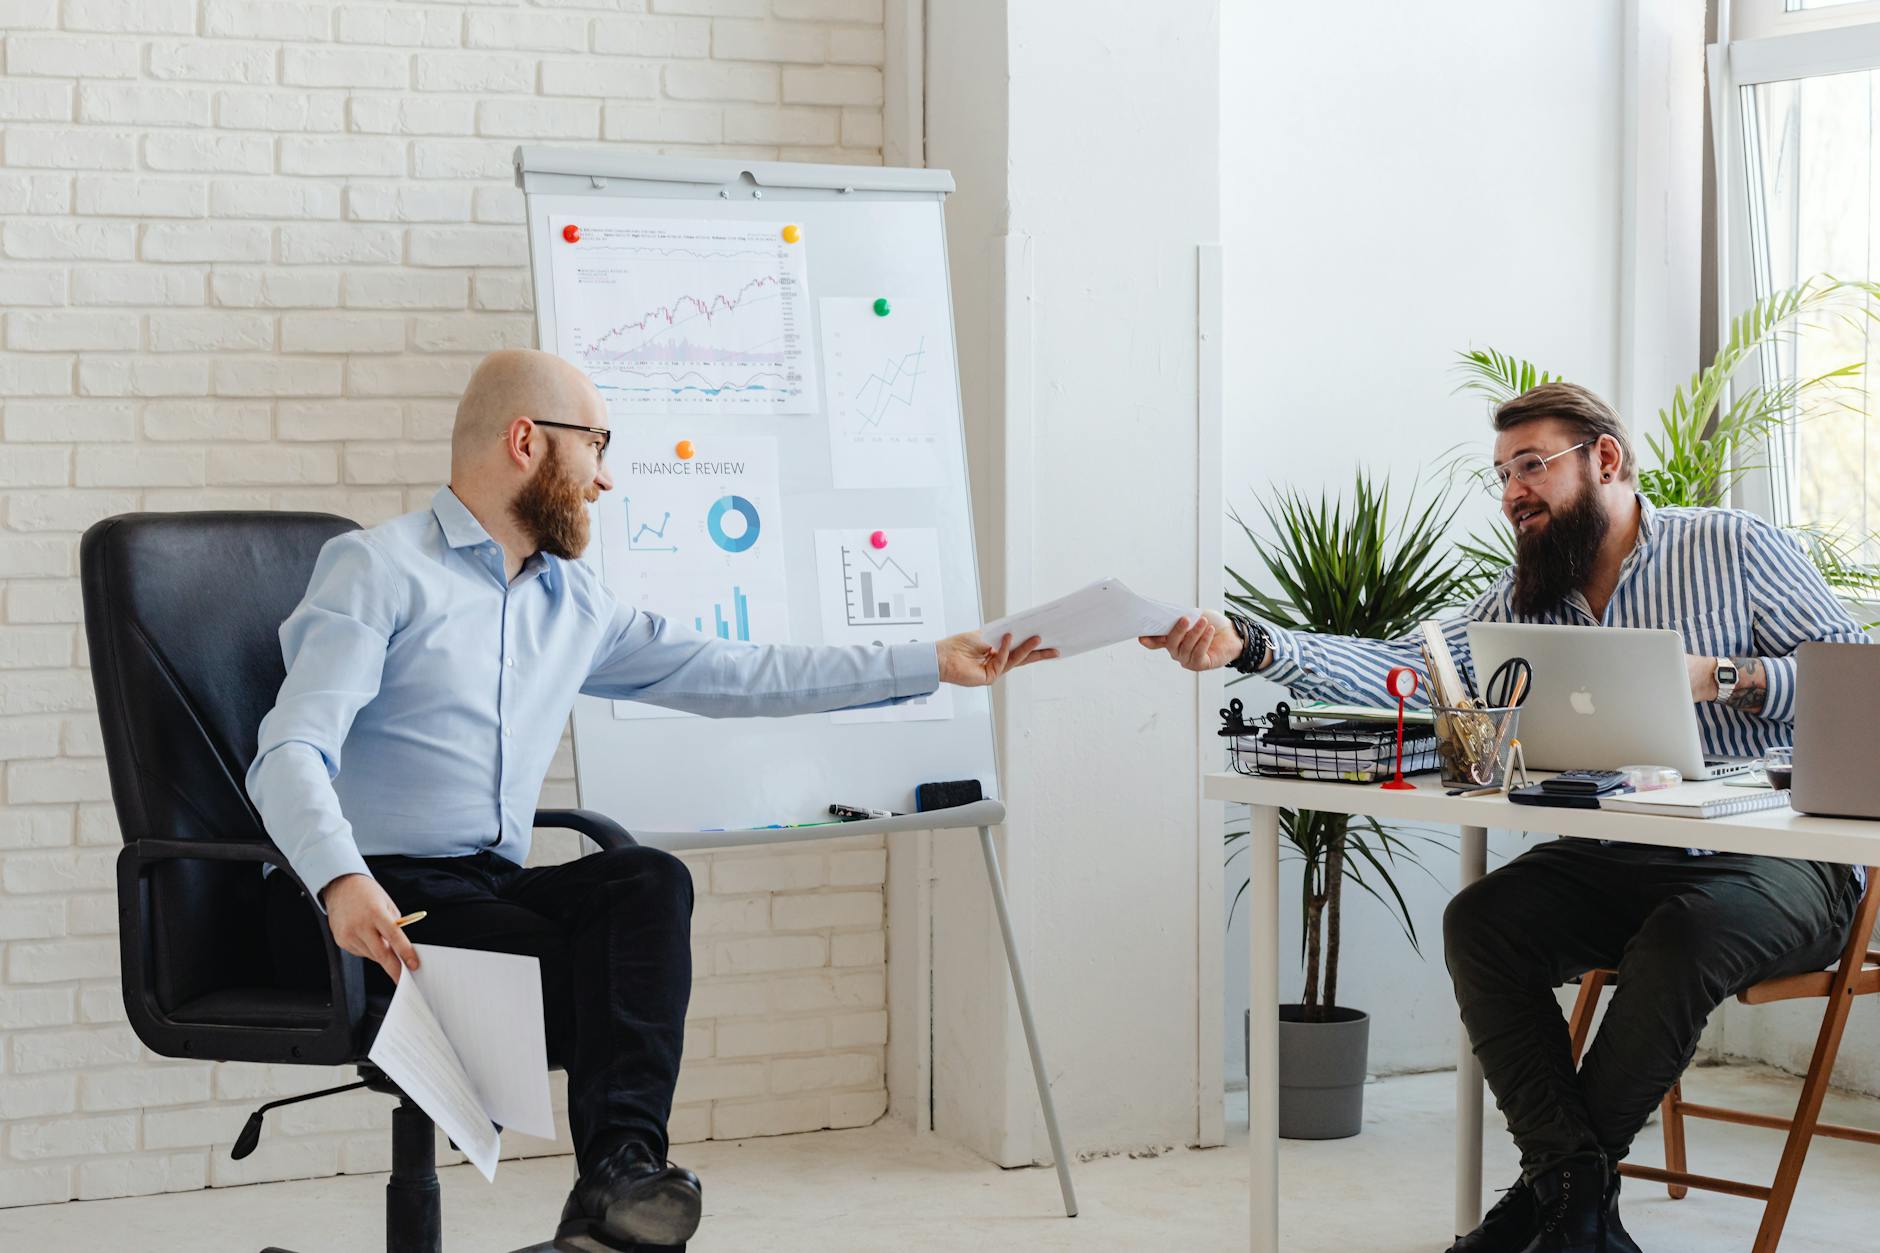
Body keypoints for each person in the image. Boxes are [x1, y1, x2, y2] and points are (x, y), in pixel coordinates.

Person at [247, 348, 1053, 1253]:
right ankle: (614, 1221)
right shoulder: (378, 568)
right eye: (595, 444)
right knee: (592, 964)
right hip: (365, 902)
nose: (606, 476)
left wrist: (927, 661)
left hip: (481, 892)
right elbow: (287, 751)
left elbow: (736, 673)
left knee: (645, 882)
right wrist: (342, 879)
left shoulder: (573, 603)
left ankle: (619, 1181)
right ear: (526, 441)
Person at [1142, 382, 1870, 1253]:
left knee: (1687, 934)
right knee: (1484, 921)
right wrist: (1255, 645)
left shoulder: (1732, 546)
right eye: (1502, 473)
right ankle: (1574, 1205)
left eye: (1533, 465)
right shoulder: (1524, 598)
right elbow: (1410, 670)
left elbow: (1855, 675)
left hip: (1783, 864)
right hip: (1620, 854)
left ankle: (1546, 1207)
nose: (1513, 491)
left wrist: (1731, 677)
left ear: (1605, 459)